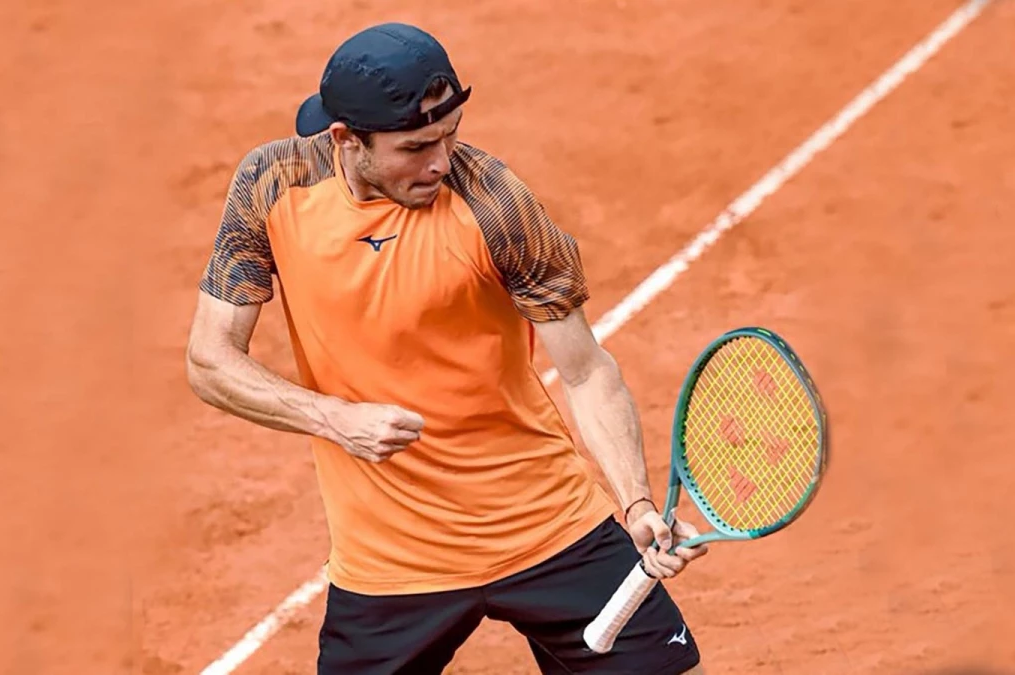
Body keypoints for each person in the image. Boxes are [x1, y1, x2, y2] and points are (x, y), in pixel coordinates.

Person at [186, 21, 709, 675]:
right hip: (391, 560)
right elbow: (210, 358)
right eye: (415, 146)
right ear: (346, 139)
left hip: (548, 524)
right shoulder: (273, 185)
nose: (440, 161)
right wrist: (333, 417)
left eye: (450, 135)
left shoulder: (496, 204)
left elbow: (586, 371)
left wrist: (634, 502)